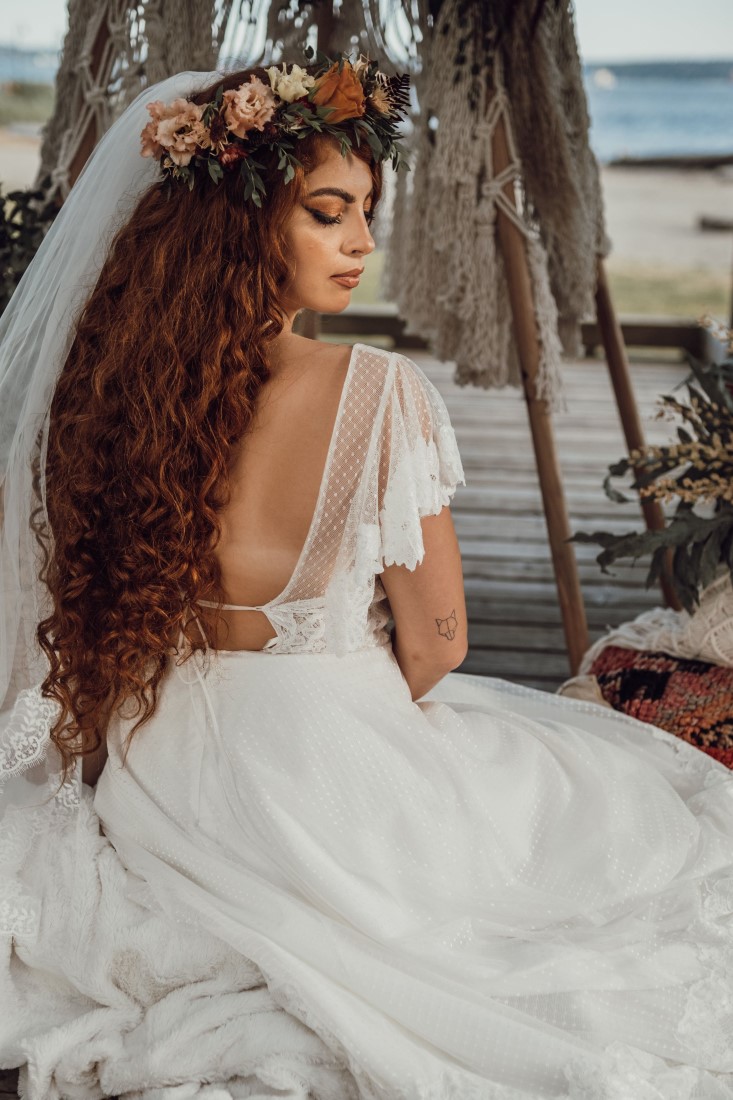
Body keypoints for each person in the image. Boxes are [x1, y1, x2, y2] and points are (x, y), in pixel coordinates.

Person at [1, 54, 732, 1100]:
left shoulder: (109, 391)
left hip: (162, 765)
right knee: (625, 831)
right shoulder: (379, 390)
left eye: (365, 214)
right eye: (328, 213)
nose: (360, 244)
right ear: (245, 223)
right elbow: (437, 645)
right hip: (325, 765)